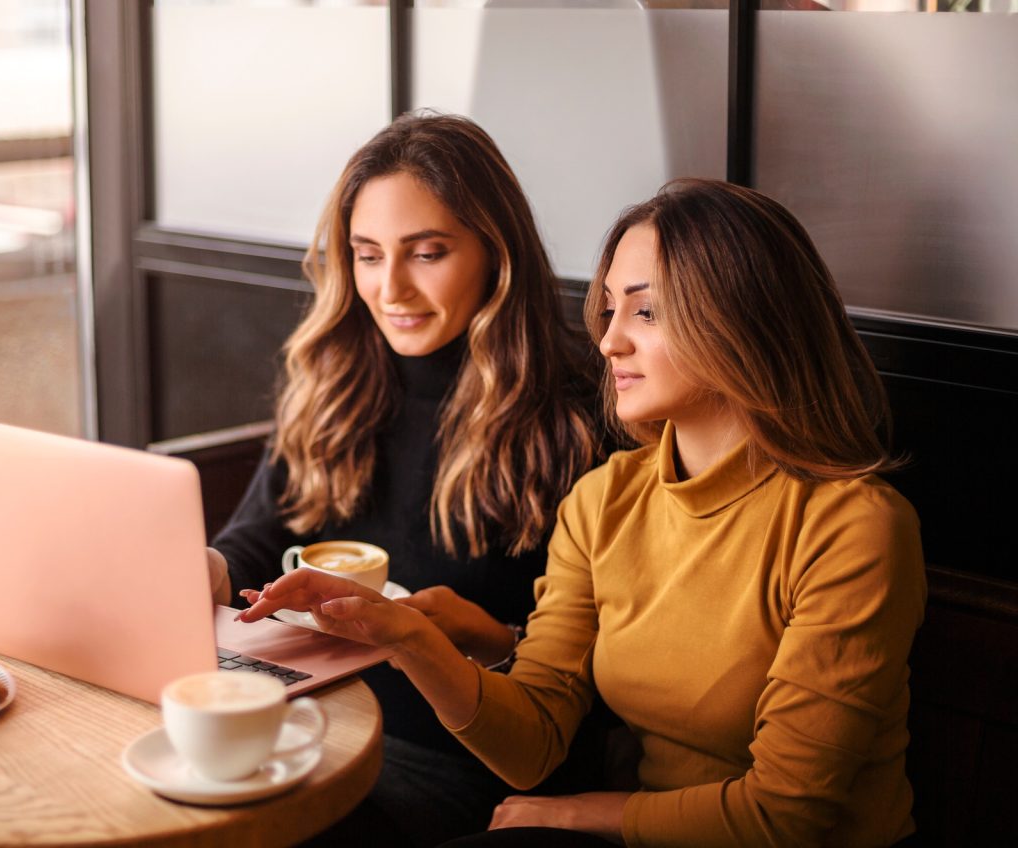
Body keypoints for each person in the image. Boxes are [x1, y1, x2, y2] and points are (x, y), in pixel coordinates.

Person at [240, 178, 927, 847]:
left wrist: (578, 814)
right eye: (609, 309)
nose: (609, 342)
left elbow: (787, 815)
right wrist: (406, 640)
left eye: (647, 312)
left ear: (744, 320)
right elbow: (532, 740)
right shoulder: (606, 499)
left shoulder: (854, 526)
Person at [206, 112, 609, 845]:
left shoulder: (578, 415)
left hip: (461, 757)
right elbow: (265, 533)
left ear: (496, 250)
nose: (390, 288)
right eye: (366, 255)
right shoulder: (337, 374)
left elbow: (593, 677)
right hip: (314, 719)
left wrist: (478, 636)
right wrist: (205, 569)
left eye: (425, 253)